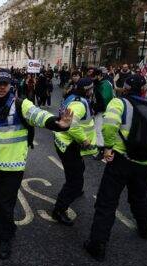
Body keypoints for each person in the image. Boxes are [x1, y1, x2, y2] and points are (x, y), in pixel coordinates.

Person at [0, 69, 73, 259]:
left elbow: (39, 116)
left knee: (5, 205)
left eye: (6, 84)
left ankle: (4, 238)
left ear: (10, 85)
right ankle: (5, 226)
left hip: (12, 165)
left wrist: (58, 123)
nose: (2, 87)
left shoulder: (20, 104)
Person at [85, 75, 147, 262]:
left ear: (125, 87)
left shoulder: (119, 103)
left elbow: (109, 126)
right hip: (144, 163)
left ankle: (97, 245)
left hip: (121, 159)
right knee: (139, 197)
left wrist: (108, 147)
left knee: (107, 202)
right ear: (143, 89)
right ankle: (144, 227)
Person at [52, 78, 97, 225]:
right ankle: (59, 210)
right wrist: (84, 139)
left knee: (78, 169)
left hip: (66, 142)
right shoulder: (79, 103)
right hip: (69, 144)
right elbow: (72, 125)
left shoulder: (73, 97)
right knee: (74, 181)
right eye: (91, 89)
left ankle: (76, 190)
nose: (92, 91)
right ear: (86, 90)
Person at [93, 67, 114, 160]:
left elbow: (104, 99)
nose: (93, 78)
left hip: (103, 111)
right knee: (100, 129)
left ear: (100, 75)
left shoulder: (103, 84)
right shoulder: (104, 83)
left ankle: (101, 150)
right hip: (104, 109)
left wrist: (96, 109)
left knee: (99, 129)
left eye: (94, 76)